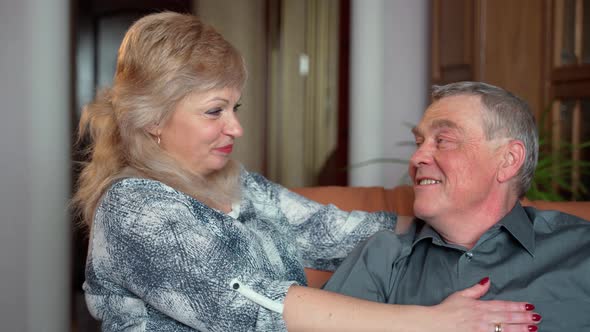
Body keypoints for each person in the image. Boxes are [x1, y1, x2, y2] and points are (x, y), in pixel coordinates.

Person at [73, 12, 541, 332]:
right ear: (153, 118)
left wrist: (469, 217)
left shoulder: (238, 186)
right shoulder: (133, 208)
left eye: (236, 107)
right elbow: (258, 303)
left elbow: (338, 230)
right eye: (214, 111)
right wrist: (432, 321)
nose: (236, 126)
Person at [324, 81, 590, 331]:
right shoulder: (383, 257)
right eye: (419, 143)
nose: (417, 158)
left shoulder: (581, 250)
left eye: (443, 141)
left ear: (508, 160)